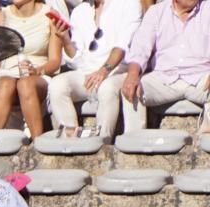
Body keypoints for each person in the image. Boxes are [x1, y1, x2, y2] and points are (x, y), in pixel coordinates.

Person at [47, 0, 140, 139]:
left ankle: (102, 141)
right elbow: (78, 61)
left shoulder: (129, 4)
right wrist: (66, 40)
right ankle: (71, 140)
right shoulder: (80, 11)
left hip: (117, 71)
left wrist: (103, 71)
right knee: (57, 85)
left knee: (106, 88)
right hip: (88, 72)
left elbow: (123, 45)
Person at [118, 0, 210, 135]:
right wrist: (132, 75)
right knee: (132, 87)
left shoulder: (207, 9)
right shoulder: (156, 12)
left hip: (200, 77)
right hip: (164, 78)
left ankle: (206, 136)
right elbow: (140, 48)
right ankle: (134, 139)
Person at [0, 0, 62, 137]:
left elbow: (55, 61)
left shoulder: (50, 15)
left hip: (38, 73)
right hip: (7, 72)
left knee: (25, 84)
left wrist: (37, 71)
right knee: (5, 83)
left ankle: (38, 142)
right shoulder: (1, 16)